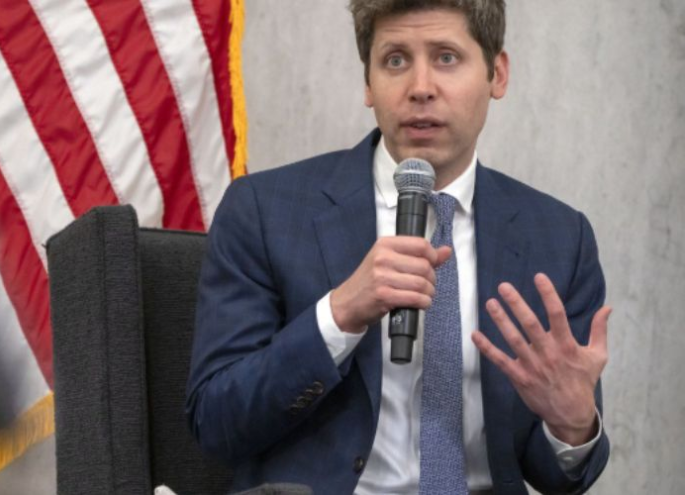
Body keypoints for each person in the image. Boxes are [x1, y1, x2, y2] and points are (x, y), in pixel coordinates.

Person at [185, 1, 611, 493]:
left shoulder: (559, 238)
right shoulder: (263, 211)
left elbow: (558, 477)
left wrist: (573, 426)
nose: (421, 87)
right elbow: (214, 424)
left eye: (447, 57)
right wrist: (338, 315)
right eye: (395, 60)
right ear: (368, 83)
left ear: (497, 73)